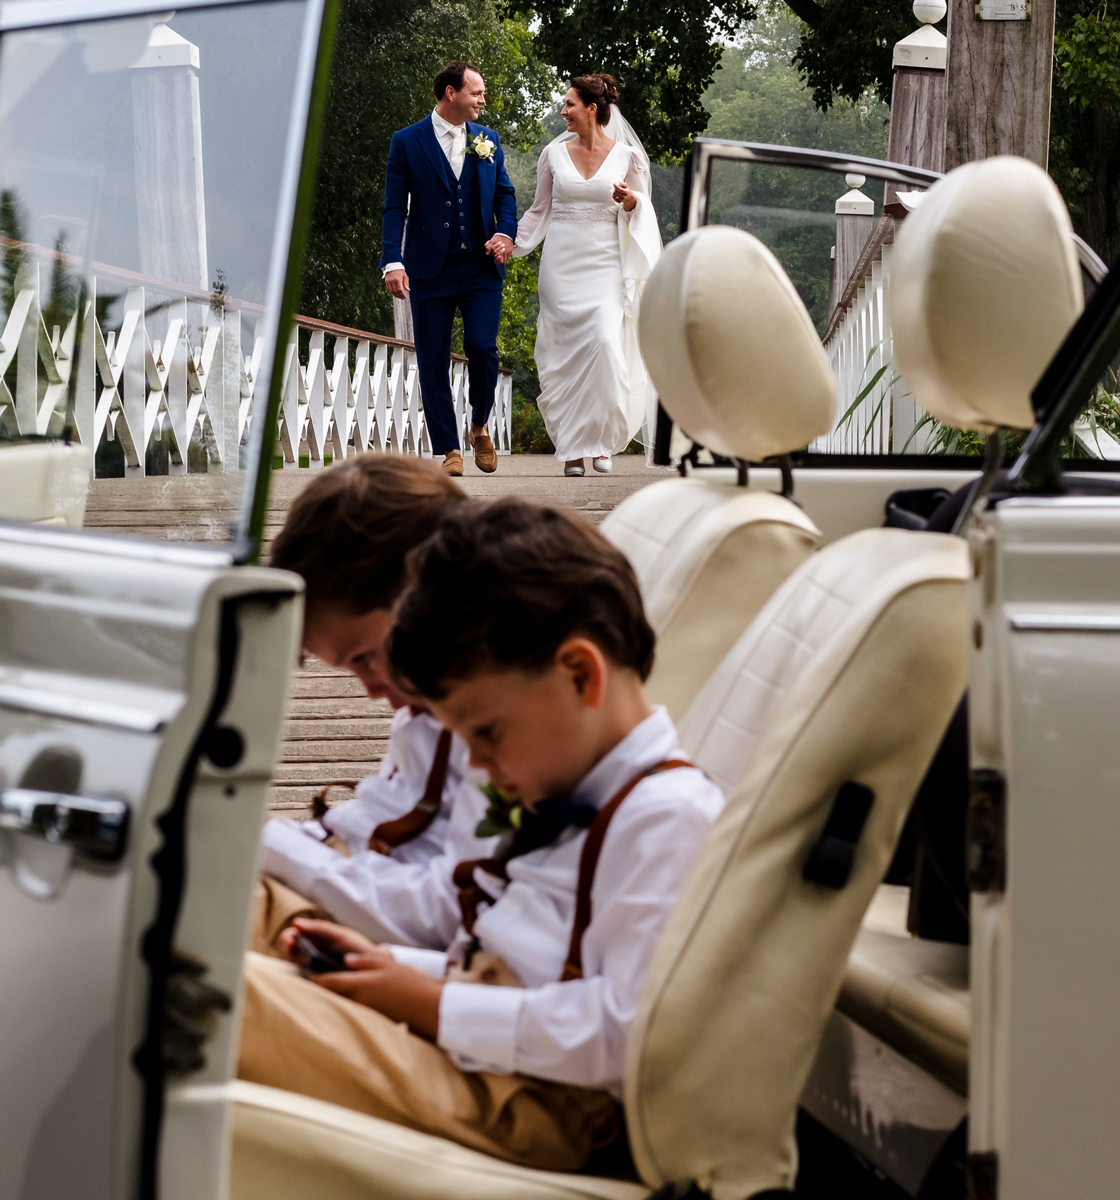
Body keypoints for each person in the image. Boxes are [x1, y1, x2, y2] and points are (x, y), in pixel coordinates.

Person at [238, 498, 727, 1172]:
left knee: (219, 997)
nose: (474, 763)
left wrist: (435, 1006)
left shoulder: (664, 818)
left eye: (485, 732)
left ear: (580, 673)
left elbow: (632, 1029)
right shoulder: (578, 785)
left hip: (536, 1103)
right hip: (486, 1044)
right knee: (218, 944)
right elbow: (528, 965)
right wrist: (393, 971)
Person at [256, 455, 498, 951]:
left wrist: (271, 842)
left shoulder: (500, 731)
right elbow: (381, 826)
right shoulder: (423, 711)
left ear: (430, 603)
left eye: (365, 657)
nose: (368, 689)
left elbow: (452, 913)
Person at [512, 74, 662, 477]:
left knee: (606, 346)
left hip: (606, 266)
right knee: (560, 356)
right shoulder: (552, 154)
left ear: (592, 109)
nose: (563, 111)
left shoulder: (629, 157)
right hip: (561, 268)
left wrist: (631, 202)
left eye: (569, 105)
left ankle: (600, 442)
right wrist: (511, 242)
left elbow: (643, 207)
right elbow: (539, 210)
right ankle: (573, 449)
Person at [381, 61, 519, 478]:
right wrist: (392, 259)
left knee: (483, 348)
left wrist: (506, 234)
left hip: (480, 267)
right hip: (428, 269)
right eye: (476, 93)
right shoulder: (406, 141)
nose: (482, 100)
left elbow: (505, 197)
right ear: (450, 94)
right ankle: (449, 449)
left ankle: (479, 425)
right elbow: (393, 207)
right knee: (433, 361)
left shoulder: (487, 140)